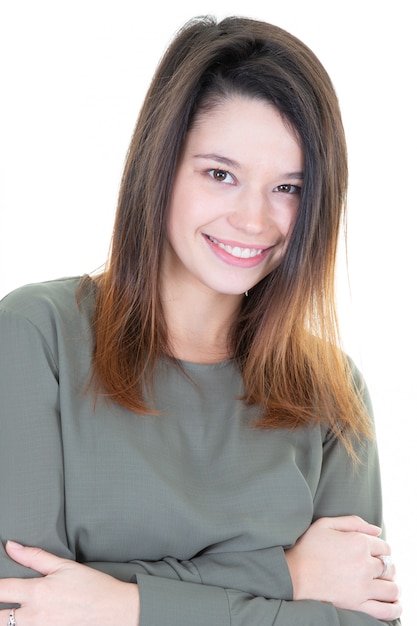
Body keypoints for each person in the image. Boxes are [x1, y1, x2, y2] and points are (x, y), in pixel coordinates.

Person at [0, 14, 402, 626]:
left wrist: (122, 606)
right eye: (221, 174)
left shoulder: (329, 389)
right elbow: (21, 606)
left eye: (288, 188)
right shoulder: (37, 336)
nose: (253, 220)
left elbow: (359, 617)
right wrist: (285, 577)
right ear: (158, 168)